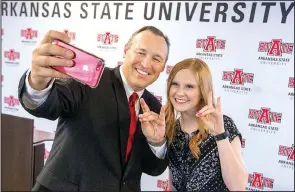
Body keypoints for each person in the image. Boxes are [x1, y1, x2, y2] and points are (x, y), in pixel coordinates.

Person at [17, 26, 170, 191]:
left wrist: (157, 142)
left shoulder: (156, 109)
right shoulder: (91, 80)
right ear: (126, 50)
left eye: (156, 58)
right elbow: (48, 105)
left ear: (163, 67)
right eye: (140, 52)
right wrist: (38, 82)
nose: (146, 63)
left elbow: (153, 168)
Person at [139, 58, 248, 191]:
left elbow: (238, 187)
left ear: (202, 91)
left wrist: (220, 135)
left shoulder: (224, 125)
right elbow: (173, 184)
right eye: (175, 84)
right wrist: (155, 140)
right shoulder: (172, 128)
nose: (179, 92)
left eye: (189, 86)